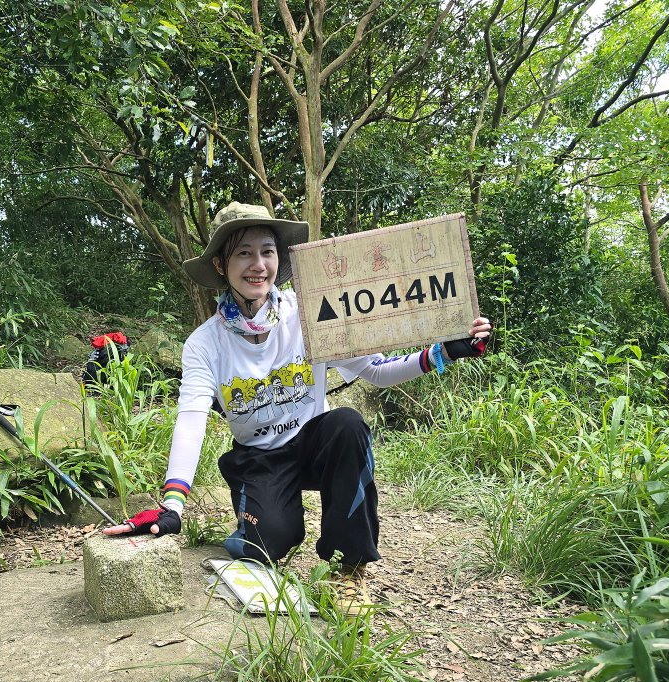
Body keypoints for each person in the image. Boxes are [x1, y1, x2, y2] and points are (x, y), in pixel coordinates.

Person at [104, 202, 492, 614]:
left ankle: (349, 572)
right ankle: (251, 523)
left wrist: (445, 352)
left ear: (280, 258)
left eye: (267, 251)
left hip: (313, 442)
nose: (258, 265)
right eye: (243, 253)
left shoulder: (308, 311)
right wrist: (173, 503)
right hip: (260, 456)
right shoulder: (205, 343)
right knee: (266, 544)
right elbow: (192, 417)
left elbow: (376, 372)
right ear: (220, 264)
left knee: (348, 424)